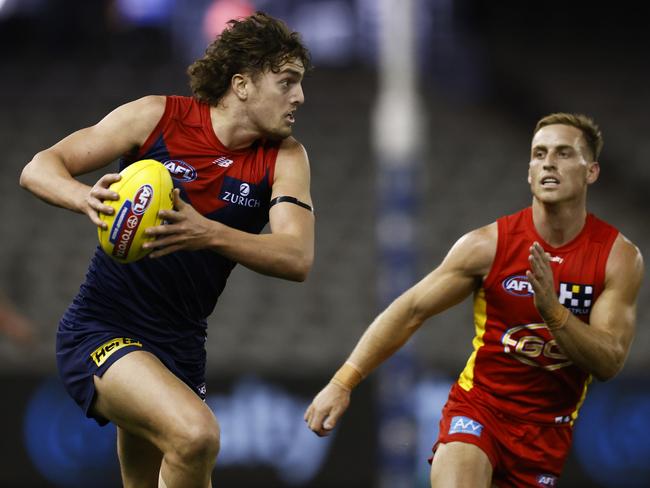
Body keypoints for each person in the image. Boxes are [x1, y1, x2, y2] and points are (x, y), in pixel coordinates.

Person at [20, 12, 314, 488]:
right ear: (242, 84)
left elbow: (296, 257)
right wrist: (84, 197)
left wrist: (208, 232)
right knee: (196, 435)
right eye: (287, 82)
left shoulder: (285, 157)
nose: (299, 97)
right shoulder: (158, 117)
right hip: (102, 327)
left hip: (180, 345)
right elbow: (38, 167)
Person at [305, 113, 644, 487]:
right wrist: (343, 381)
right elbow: (410, 309)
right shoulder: (487, 246)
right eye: (539, 154)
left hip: (545, 433)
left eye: (564, 153)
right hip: (479, 409)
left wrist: (553, 313)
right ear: (529, 171)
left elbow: (609, 361)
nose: (548, 162)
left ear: (591, 171)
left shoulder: (617, 257)